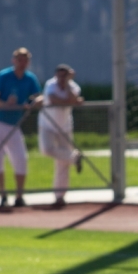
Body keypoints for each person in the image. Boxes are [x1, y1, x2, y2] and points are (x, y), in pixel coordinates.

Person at [0, 47, 42, 208]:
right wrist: (6, 105)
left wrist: (35, 102)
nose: (22, 63)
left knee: (20, 159)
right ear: (14, 60)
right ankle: (3, 195)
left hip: (14, 124)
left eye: (25, 60)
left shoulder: (30, 78)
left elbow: (37, 95)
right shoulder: (4, 76)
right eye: (20, 59)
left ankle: (19, 195)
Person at [39, 63, 85, 208]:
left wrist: (68, 85)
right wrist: (72, 102)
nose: (62, 77)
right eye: (60, 74)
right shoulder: (50, 84)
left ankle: (60, 196)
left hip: (65, 127)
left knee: (62, 163)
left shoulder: (73, 86)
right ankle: (74, 156)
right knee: (46, 149)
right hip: (48, 125)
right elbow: (53, 99)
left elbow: (73, 97)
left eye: (65, 74)